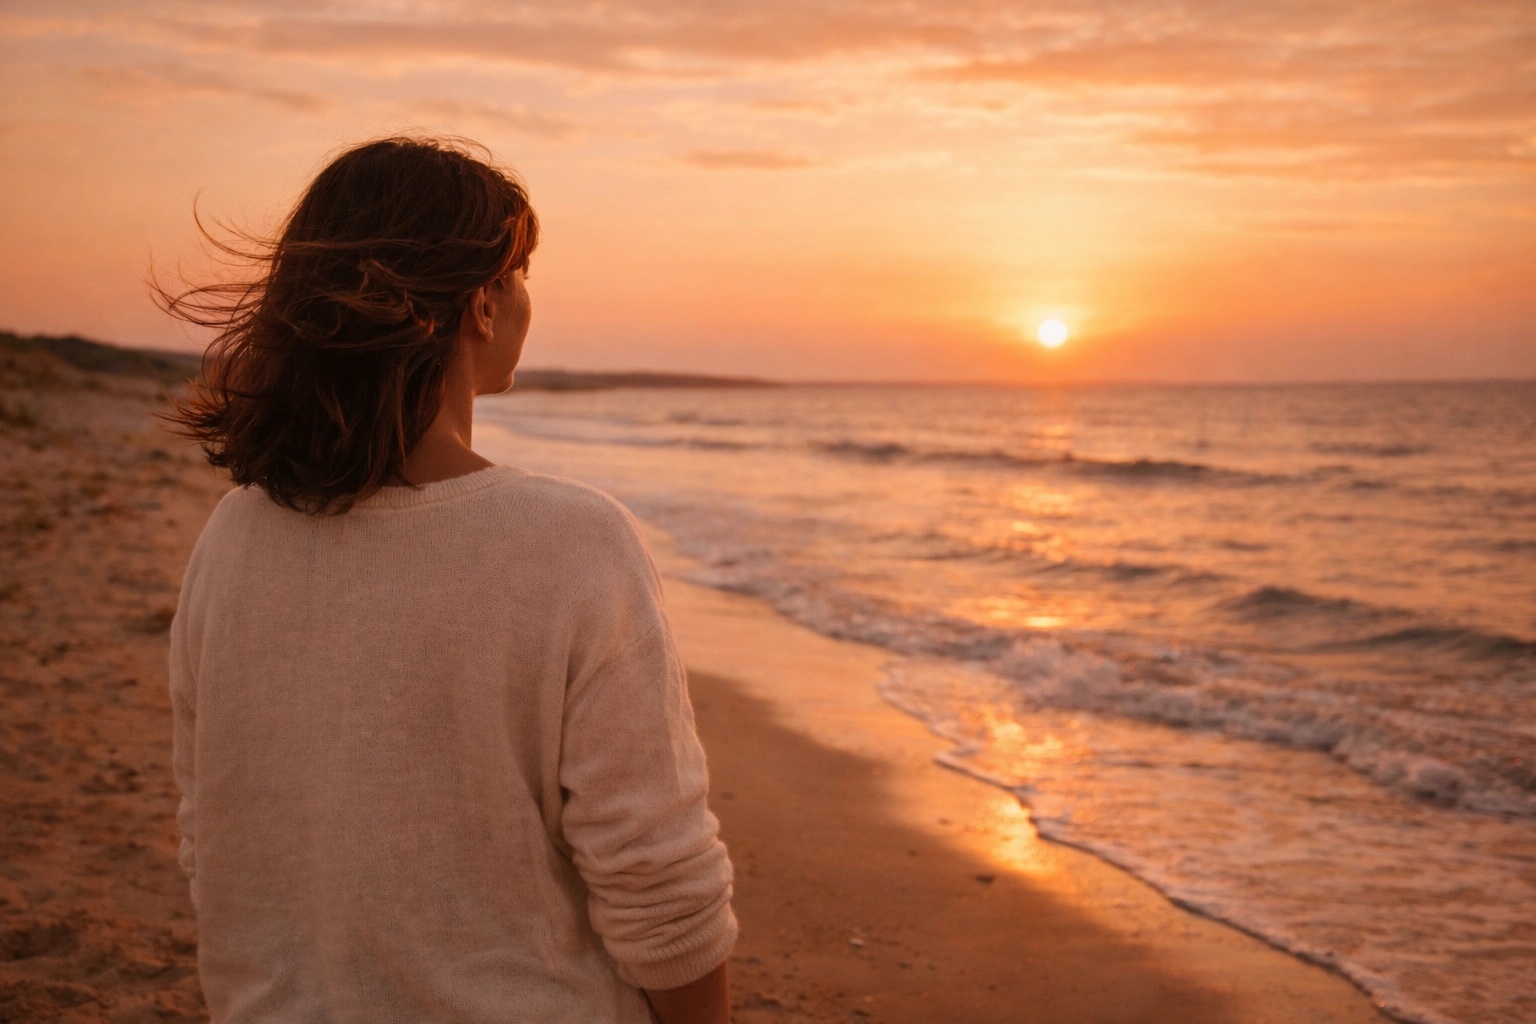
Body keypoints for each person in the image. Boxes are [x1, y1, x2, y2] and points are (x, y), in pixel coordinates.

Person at [159, 136, 736, 1023]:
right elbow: (658, 878)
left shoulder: (233, 536)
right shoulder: (570, 541)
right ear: (482, 303)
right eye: (520, 272)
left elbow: (215, 838)